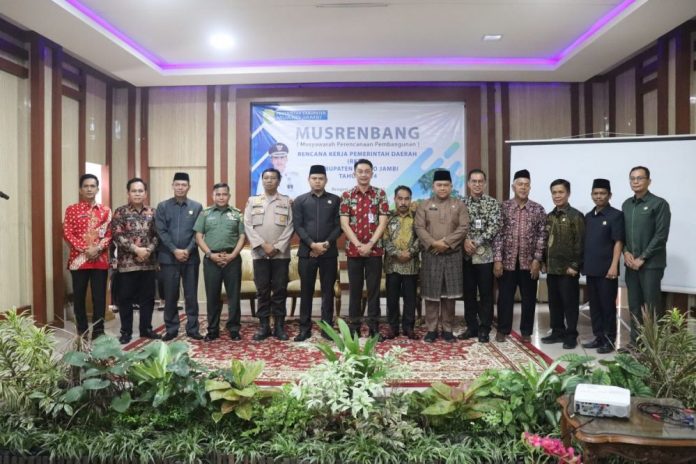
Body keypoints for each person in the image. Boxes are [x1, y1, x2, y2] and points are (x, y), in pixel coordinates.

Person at [414, 169, 469, 343]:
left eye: (446, 185)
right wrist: (433, 243)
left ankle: (447, 329)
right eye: (439, 185)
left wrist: (445, 243)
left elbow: (463, 227)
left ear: (451, 186)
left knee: (449, 296)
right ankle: (431, 329)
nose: (443, 188)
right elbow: (419, 227)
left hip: (452, 255)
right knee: (431, 295)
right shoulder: (424, 205)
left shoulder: (459, 205)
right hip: (431, 255)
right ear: (433, 186)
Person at [493, 169, 547, 343]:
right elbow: (497, 235)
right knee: (505, 298)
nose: (523, 187)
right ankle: (503, 329)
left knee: (529, 299)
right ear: (513, 187)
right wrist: (498, 259)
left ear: (530, 187)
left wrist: (537, 260)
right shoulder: (503, 207)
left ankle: (526, 332)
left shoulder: (538, 209)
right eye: (520, 184)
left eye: (526, 185)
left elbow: (542, 236)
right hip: (507, 262)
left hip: (529, 263)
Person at [339, 159, 389, 340]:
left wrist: (370, 244)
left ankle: (374, 328)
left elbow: (383, 222)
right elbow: (344, 224)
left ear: (372, 173)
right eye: (360, 171)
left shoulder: (380, 194)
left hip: (374, 251)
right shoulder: (347, 195)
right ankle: (354, 327)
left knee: (374, 290)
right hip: (354, 252)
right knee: (355, 290)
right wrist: (359, 245)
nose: (363, 174)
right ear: (354, 173)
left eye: (367, 171)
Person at [292, 165, 342, 341]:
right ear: (309, 180)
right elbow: (298, 226)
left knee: (328, 292)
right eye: (314, 178)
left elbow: (339, 226)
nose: (317, 181)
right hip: (307, 253)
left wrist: (325, 244)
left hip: (329, 253)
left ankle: (327, 328)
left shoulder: (335, 200)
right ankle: (304, 328)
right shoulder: (300, 201)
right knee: (306, 291)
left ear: (326, 180)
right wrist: (312, 245)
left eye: (321, 178)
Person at [622, 166, 671, 346]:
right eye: (632, 178)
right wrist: (626, 252)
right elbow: (622, 233)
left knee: (651, 307)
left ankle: (653, 348)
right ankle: (635, 345)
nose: (635, 181)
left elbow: (661, 236)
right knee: (634, 306)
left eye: (640, 178)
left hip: (650, 265)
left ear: (649, 181)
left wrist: (642, 258)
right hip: (631, 264)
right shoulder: (627, 205)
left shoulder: (659, 204)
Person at [244, 168, 295, 341]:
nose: (269, 180)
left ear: (279, 181)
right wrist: (263, 245)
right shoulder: (253, 201)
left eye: (273, 178)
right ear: (262, 180)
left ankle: (279, 326)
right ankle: (264, 326)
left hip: (281, 255)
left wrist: (277, 247)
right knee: (262, 291)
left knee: (280, 290)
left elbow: (291, 226)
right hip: (260, 254)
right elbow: (247, 225)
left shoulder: (287, 201)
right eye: (266, 178)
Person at [194, 182, 246, 342]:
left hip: (232, 259)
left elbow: (242, 236)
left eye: (224, 194)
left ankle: (234, 329)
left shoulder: (237, 214)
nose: (221, 197)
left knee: (233, 296)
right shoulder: (205, 214)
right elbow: (198, 237)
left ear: (229, 196)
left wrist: (233, 255)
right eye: (218, 194)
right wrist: (210, 254)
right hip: (211, 259)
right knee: (212, 296)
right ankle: (212, 330)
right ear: (213, 196)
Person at [155, 172, 204, 341]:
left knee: (191, 295)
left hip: (191, 259)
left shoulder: (197, 207)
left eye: (184, 185)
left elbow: (198, 232)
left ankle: (193, 328)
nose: (180, 187)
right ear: (173, 186)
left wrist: (188, 250)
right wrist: (174, 250)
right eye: (177, 184)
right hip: (168, 258)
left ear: (189, 187)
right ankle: (171, 329)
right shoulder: (163, 206)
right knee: (170, 296)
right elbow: (161, 231)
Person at [111, 178, 161, 344]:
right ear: (128, 193)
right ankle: (126, 332)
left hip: (148, 263)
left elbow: (158, 235)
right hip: (127, 265)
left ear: (145, 193)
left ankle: (146, 329)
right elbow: (118, 235)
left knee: (148, 298)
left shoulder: (153, 212)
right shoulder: (120, 212)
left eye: (140, 191)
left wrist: (149, 250)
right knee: (125, 299)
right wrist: (136, 250)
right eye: (134, 191)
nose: (137, 194)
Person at [63, 174, 112, 339]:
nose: (89, 189)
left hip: (100, 260)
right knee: (79, 297)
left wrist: (97, 248)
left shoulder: (106, 211)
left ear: (97, 189)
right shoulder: (71, 209)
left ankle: (98, 332)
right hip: (78, 261)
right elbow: (67, 233)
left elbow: (109, 234)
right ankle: (82, 331)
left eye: (92, 186)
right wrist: (86, 249)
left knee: (99, 298)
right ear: (80, 189)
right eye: (86, 186)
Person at [582, 178, 624, 354]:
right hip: (591, 269)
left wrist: (614, 266)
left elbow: (618, 242)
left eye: (602, 193)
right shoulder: (588, 216)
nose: (599, 196)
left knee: (607, 307)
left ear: (609, 195)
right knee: (595, 307)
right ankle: (598, 337)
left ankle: (609, 340)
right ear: (592, 195)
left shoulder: (616, 215)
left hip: (608, 271)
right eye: (596, 193)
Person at [541, 179, 584, 349]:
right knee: (554, 303)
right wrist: (544, 262)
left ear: (568, 193)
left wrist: (575, 265)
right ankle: (557, 331)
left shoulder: (576, 216)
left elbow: (580, 242)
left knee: (570, 304)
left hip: (568, 270)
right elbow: (545, 241)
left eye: (561, 192)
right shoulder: (550, 216)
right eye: (554, 192)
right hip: (552, 269)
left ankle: (571, 334)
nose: (557, 195)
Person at [459, 169, 500, 343]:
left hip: (485, 256)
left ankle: (484, 328)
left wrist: (475, 242)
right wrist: (465, 241)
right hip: (466, 255)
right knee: (468, 293)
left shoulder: (492, 203)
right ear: (468, 183)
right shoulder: (460, 203)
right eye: (474, 181)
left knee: (485, 294)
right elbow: (456, 226)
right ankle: (471, 327)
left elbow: (494, 226)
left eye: (480, 181)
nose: (477, 184)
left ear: (484, 183)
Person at [383, 185, 420, 340]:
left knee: (410, 298)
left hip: (411, 264)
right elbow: (384, 238)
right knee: (392, 298)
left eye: (406, 199)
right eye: (400, 198)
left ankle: (408, 327)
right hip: (392, 264)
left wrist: (410, 252)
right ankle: (393, 327)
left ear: (410, 200)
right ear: (395, 199)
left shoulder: (418, 217)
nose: (403, 202)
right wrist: (397, 254)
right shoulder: (388, 217)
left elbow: (421, 237)